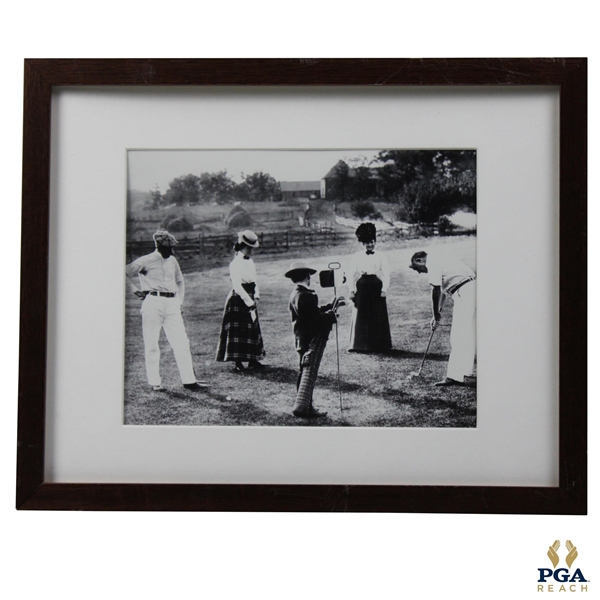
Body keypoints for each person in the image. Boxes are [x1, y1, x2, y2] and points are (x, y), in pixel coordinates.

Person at [125, 230, 207, 392]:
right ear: (159, 246)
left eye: (172, 248)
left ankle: (189, 380)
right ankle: (155, 382)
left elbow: (180, 281)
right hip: (152, 303)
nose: (172, 251)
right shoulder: (146, 260)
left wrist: (180, 303)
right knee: (152, 343)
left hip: (172, 304)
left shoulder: (172, 261)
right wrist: (135, 291)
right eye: (168, 248)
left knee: (182, 342)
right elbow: (124, 273)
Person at [285, 261, 343, 419]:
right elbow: (315, 320)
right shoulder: (306, 296)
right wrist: (331, 316)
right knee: (307, 373)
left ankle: (303, 404)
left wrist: (331, 306)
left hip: (301, 339)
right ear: (307, 276)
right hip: (310, 340)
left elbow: (312, 313)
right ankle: (305, 406)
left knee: (304, 372)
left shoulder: (296, 294)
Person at [409, 251, 476, 386]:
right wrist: (438, 312)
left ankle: (454, 376)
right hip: (474, 288)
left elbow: (436, 290)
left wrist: (435, 314)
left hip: (465, 293)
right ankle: (466, 370)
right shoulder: (441, 257)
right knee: (469, 334)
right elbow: (444, 292)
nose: (420, 272)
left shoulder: (432, 262)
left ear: (419, 260)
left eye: (418, 269)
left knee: (457, 336)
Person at [216, 230, 266, 373]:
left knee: (252, 327)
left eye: (252, 248)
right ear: (242, 246)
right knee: (237, 331)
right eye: (249, 248)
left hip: (250, 295)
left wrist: (256, 296)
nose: (251, 251)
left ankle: (252, 359)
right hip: (239, 298)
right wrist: (249, 301)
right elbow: (237, 286)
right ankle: (237, 361)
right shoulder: (235, 263)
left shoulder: (250, 262)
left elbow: (255, 281)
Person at [347, 222, 392, 352]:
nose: (370, 245)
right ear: (363, 244)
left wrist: (384, 289)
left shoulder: (381, 255)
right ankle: (358, 345)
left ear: (375, 241)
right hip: (362, 285)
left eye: (372, 242)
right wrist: (351, 290)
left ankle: (379, 345)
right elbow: (351, 273)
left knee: (377, 314)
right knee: (360, 313)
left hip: (376, 285)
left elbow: (386, 273)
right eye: (367, 243)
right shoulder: (357, 256)